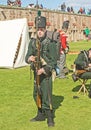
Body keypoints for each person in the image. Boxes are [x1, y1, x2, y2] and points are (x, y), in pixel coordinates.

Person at [25, 10, 57, 127]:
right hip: (35, 73)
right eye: (38, 29)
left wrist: (44, 70)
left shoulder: (51, 43)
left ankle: (50, 118)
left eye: (42, 29)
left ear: (45, 29)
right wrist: (30, 58)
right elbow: (26, 56)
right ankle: (40, 114)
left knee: (47, 95)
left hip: (46, 74)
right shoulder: (32, 43)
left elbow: (54, 62)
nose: (40, 32)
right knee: (36, 93)